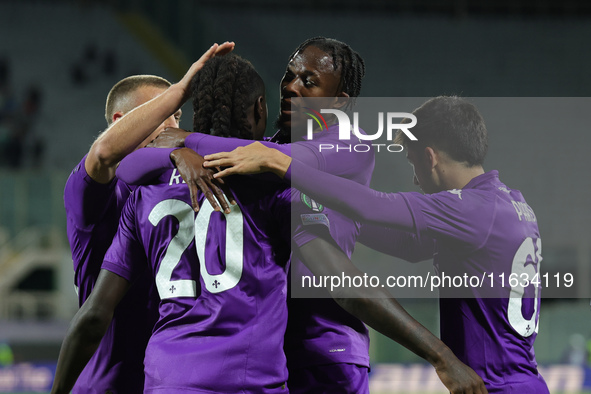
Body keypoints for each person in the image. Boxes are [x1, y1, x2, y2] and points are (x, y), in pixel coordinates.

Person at [116, 50, 486, 392]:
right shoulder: (263, 171)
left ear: (338, 100)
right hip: (274, 353)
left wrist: (182, 145)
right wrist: (180, 153)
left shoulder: (344, 146)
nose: (292, 87)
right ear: (260, 107)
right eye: (288, 75)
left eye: (309, 81)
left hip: (326, 350)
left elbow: (122, 163)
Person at [205, 95, 549, 393]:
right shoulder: (512, 205)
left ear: (430, 157)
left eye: (414, 164)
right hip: (523, 380)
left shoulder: (469, 208)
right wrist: (318, 215)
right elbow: (409, 246)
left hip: (494, 386)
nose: (416, 178)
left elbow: (370, 205)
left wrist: (279, 162)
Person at [60, 42, 233, 394]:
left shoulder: (180, 187)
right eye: (158, 112)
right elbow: (103, 155)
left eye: (177, 115)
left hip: (172, 382)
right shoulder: (91, 192)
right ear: (120, 123)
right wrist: (177, 141)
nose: (171, 124)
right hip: (106, 385)